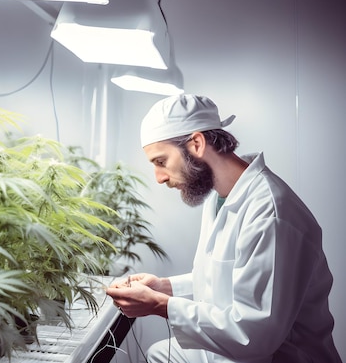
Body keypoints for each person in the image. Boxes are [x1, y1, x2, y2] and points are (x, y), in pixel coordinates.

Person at [105, 94, 341, 363]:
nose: (159, 178)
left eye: (161, 162)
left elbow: (254, 335)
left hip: (278, 356)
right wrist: (164, 286)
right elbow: (222, 280)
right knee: (160, 353)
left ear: (197, 143)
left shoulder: (271, 214)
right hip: (246, 353)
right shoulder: (221, 196)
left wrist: (160, 305)